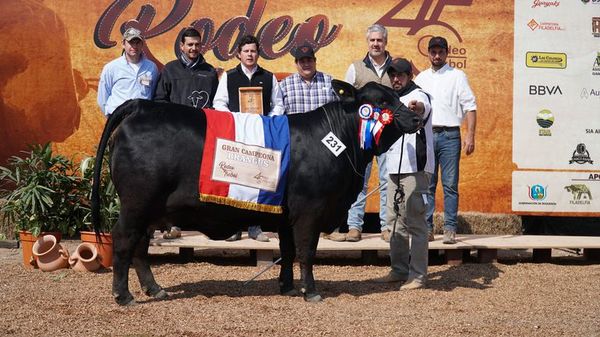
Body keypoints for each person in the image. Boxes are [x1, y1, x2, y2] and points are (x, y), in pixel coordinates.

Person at [213, 34, 284, 242]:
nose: (250, 54)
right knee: (234, 180)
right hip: (237, 134)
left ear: (258, 53)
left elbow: (278, 104)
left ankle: (255, 228)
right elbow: (219, 103)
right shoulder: (229, 76)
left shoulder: (269, 76)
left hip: (261, 135)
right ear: (239, 54)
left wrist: (268, 121)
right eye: (246, 51)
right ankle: (234, 228)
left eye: (253, 51)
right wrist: (235, 120)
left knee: (257, 181)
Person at [328, 24, 393, 242]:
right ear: (368, 42)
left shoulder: (395, 69)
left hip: (387, 136)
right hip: (362, 136)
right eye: (372, 40)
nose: (376, 44)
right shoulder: (355, 68)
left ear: (385, 42)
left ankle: (387, 226)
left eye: (380, 40)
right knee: (358, 181)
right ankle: (354, 226)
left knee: (386, 180)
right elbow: (345, 102)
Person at [373, 58, 433, 290]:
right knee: (394, 221)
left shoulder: (420, 95)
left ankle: (418, 275)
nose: (396, 79)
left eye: (400, 75)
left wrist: (416, 107)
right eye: (392, 75)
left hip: (415, 168)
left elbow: (422, 107)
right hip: (393, 167)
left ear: (409, 76)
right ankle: (399, 270)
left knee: (415, 222)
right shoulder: (391, 98)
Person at [414, 36, 477, 244]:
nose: (437, 55)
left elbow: (470, 106)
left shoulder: (458, 75)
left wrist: (470, 135)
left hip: (451, 135)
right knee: (428, 184)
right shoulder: (421, 78)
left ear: (447, 53)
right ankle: (428, 228)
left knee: (450, 185)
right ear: (429, 53)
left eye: (441, 52)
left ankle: (450, 229)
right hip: (428, 134)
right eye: (433, 51)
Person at [97, 27, 159, 116]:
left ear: (142, 44)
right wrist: (111, 118)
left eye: (138, 42)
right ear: (123, 44)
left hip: (143, 119)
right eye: (131, 42)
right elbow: (102, 99)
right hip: (119, 119)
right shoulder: (111, 68)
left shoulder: (151, 67)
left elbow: (153, 94)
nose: (134, 46)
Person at [154, 27, 218, 109]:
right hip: (177, 120)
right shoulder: (170, 69)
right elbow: (159, 100)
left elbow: (216, 102)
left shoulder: (210, 71)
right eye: (190, 44)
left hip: (201, 120)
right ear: (182, 46)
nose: (194, 48)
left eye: (197, 44)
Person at [279, 43, 338, 114]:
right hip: (295, 125)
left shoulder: (330, 82)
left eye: (309, 60)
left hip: (324, 125)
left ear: (315, 61)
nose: (306, 64)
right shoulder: (284, 85)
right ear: (296, 63)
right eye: (302, 61)